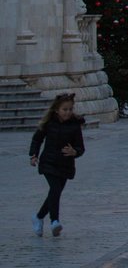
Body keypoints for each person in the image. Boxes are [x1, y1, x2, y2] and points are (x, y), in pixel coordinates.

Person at [29, 93, 85, 238]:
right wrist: (33, 155)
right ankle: (54, 221)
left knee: (55, 193)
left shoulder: (75, 125)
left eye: (70, 109)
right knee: (55, 189)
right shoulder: (49, 123)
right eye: (64, 109)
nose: (67, 112)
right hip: (48, 162)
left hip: (65, 164)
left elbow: (80, 147)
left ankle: (38, 217)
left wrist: (75, 152)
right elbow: (37, 139)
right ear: (56, 110)